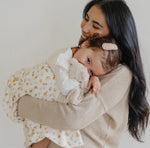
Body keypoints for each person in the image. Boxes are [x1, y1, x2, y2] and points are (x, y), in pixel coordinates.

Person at [15, 0, 150, 148]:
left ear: (114, 34)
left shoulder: (120, 74)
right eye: (86, 18)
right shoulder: (80, 62)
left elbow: (71, 118)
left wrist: (20, 103)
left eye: (95, 26)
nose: (84, 28)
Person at [3, 37, 120, 148]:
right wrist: (85, 81)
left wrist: (92, 79)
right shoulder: (62, 56)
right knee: (40, 135)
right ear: (86, 44)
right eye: (88, 60)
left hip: (49, 106)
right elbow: (65, 87)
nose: (85, 68)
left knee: (49, 133)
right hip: (33, 90)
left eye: (91, 72)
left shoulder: (78, 67)